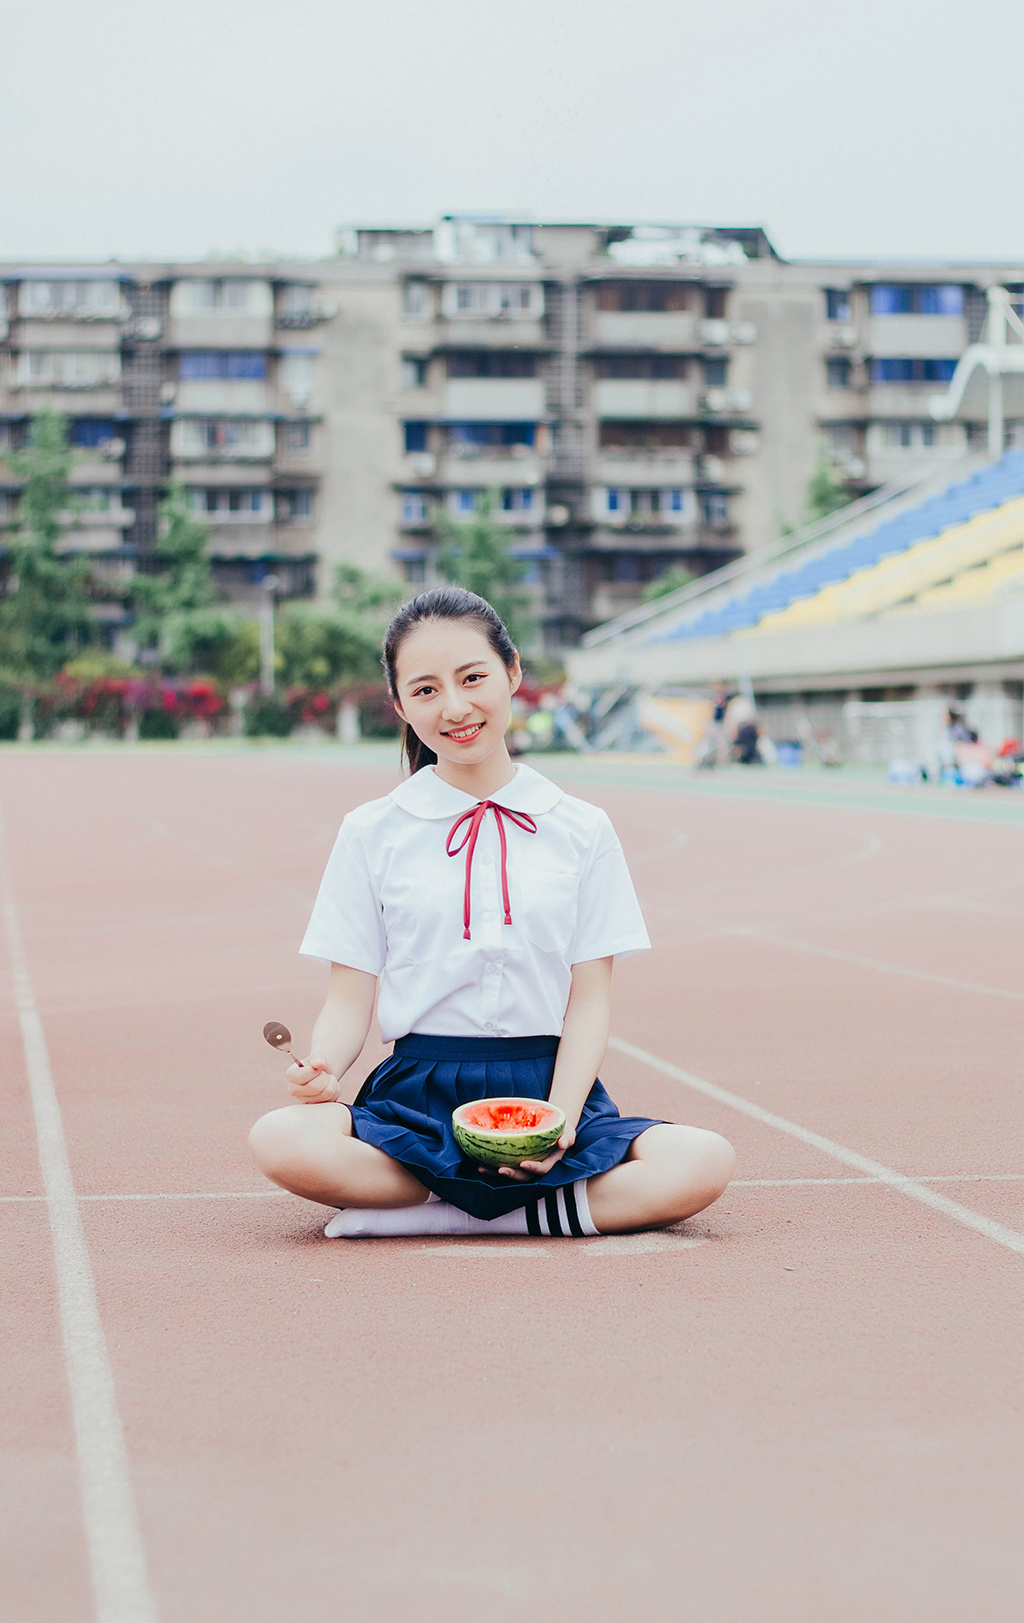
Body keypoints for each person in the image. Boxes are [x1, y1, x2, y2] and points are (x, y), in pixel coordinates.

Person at [249, 586, 735, 1239]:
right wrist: (325, 1069)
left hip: (546, 1086)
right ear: (399, 704)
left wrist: (559, 1120)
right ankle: (510, 1208)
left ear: (512, 673)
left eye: (472, 677)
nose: (454, 707)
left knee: (702, 1161)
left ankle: (441, 1213)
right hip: (417, 1096)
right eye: (424, 690)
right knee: (280, 1138)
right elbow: (348, 993)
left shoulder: (581, 828)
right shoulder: (372, 830)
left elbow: (590, 999)